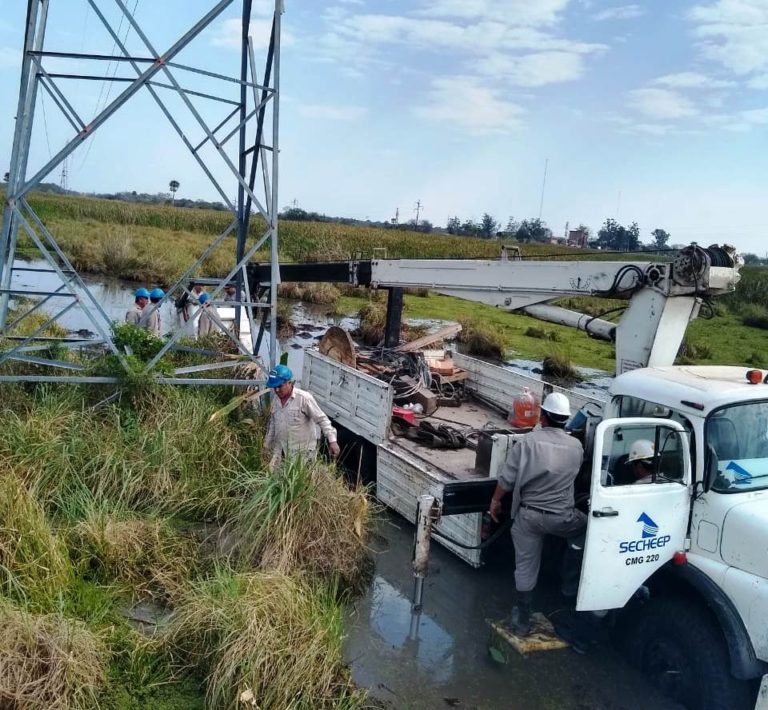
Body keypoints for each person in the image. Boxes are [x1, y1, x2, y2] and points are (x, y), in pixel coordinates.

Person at [489, 391, 586, 636]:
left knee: (525, 565)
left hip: (528, 517)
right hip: (562, 518)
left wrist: (495, 501)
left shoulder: (527, 443)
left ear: (543, 416)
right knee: (588, 530)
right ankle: (570, 586)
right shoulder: (577, 447)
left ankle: (522, 620)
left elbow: (507, 480)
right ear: (565, 419)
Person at [264, 364, 341, 465]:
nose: (277, 390)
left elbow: (322, 420)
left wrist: (332, 441)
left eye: (279, 386)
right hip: (280, 452)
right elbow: (273, 425)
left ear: (289, 383)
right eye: (275, 387)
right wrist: (266, 446)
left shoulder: (304, 398)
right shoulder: (276, 399)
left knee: (300, 480)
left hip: (302, 455)